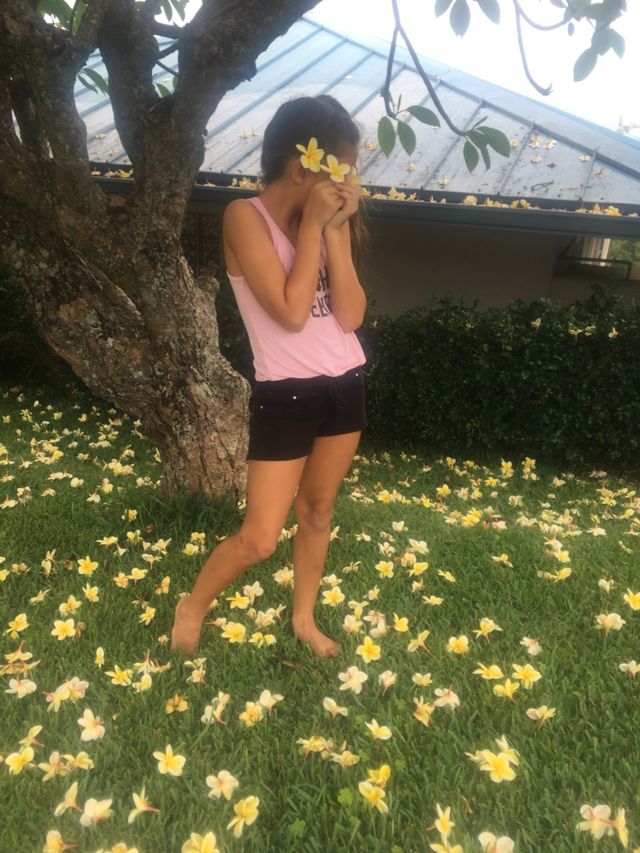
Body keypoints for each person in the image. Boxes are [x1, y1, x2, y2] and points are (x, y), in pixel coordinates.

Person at [170, 94, 368, 658]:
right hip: (287, 394)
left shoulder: (325, 226)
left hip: (346, 384)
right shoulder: (243, 217)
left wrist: (334, 233)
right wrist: (314, 230)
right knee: (260, 537)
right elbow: (290, 311)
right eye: (341, 170)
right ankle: (192, 606)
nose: (349, 184)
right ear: (304, 167)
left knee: (318, 512)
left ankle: (303, 619)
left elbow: (351, 316)